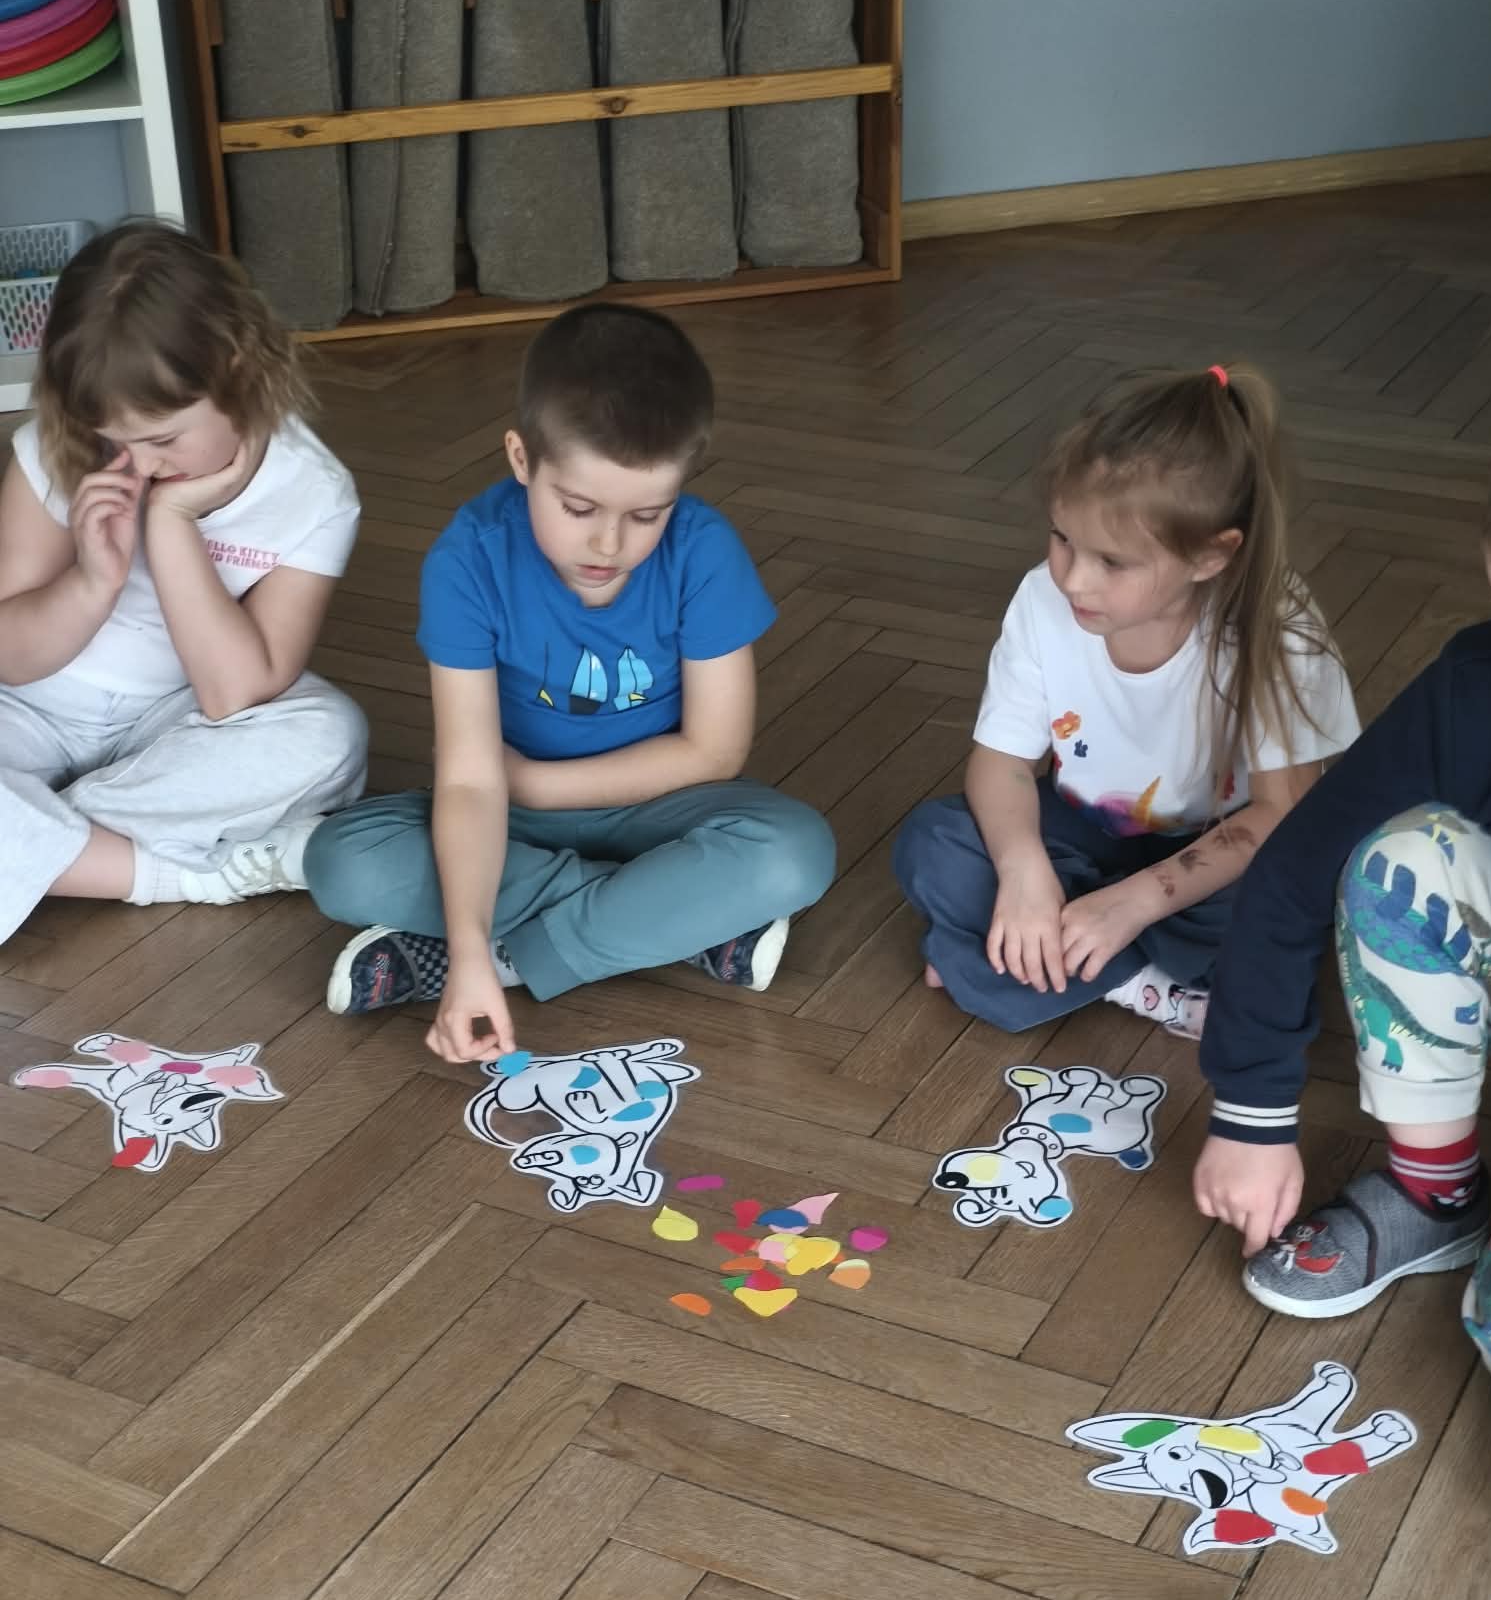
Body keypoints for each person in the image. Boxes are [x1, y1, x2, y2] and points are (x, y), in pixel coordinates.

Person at [305, 302, 835, 1062]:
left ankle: (506, 960)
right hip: (505, 815)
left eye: (647, 515)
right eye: (579, 507)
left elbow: (714, 753)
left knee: (794, 853)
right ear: (521, 459)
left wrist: (475, 946)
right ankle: (670, 916)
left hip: (657, 805)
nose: (609, 543)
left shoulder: (704, 550)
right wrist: (512, 796)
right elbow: (469, 780)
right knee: (344, 861)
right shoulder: (470, 558)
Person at [1193, 420, 1491, 1361]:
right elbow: (1295, 871)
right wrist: (1252, 1115)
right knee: (1402, 858)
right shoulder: (1478, 692)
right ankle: (1436, 1193)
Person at [892, 364, 1359, 1038]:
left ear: (1210, 556)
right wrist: (1022, 872)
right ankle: (1143, 986)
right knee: (934, 844)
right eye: (1062, 538)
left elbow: (1280, 814)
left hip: (1215, 854)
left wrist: (1138, 901)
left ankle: (1004, 963)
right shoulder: (1041, 599)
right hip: (1087, 836)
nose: (1074, 580)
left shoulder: (1278, 628)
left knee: (1293, 895)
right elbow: (1002, 763)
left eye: (1112, 562)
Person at [0, 221, 367, 944]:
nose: (138, 465)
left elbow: (234, 694)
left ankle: (36, 837)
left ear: (235, 366)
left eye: (163, 440)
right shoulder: (54, 446)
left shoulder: (315, 493)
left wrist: (171, 525)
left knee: (331, 737)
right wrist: (92, 584)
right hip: (25, 712)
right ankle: (178, 873)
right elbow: (9, 658)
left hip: (173, 722)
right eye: (114, 440)